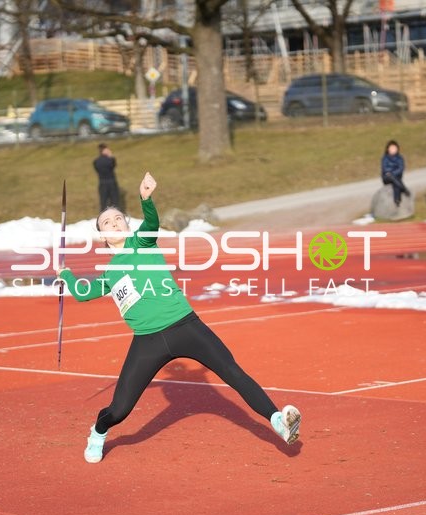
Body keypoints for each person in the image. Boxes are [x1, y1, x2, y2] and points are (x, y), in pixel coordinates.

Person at [57, 172, 301, 463]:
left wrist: (146, 198)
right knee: (119, 410)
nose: (114, 223)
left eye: (118, 218)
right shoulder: (109, 273)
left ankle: (277, 420)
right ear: (102, 236)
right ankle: (98, 432)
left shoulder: (142, 242)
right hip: (147, 341)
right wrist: (67, 275)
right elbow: (83, 293)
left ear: (127, 225)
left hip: (186, 326)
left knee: (233, 372)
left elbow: (151, 223)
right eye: (107, 223)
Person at [381, 140, 410, 207]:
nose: (393, 150)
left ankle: (397, 200)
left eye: (394, 148)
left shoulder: (400, 158)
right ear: (388, 149)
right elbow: (384, 169)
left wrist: (392, 173)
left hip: (396, 176)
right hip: (386, 177)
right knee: (393, 178)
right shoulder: (385, 158)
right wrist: (391, 173)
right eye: (391, 148)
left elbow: (401, 168)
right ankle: (403, 189)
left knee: (395, 182)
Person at [93, 143, 120, 211]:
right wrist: (111, 157)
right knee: (115, 202)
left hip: (102, 183)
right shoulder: (110, 160)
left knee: (103, 202)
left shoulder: (96, 161)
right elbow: (113, 166)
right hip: (111, 182)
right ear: (104, 150)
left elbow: (97, 170)